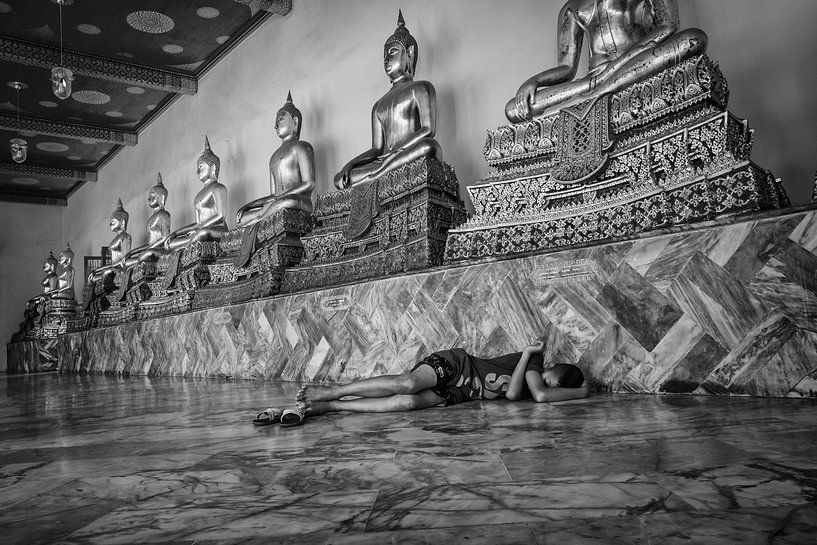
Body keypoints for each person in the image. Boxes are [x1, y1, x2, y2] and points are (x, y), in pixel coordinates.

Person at [253, 342, 589, 426]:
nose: (541, 387)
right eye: (546, 380)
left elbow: (529, 396)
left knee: (406, 403)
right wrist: (582, 392)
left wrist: (566, 392)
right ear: (551, 368)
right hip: (459, 364)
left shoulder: (536, 387)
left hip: (462, 392)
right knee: (407, 384)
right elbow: (534, 395)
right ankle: (333, 391)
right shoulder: (533, 361)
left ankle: (331, 406)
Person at [505, 0, 707, 122]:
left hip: (637, 62)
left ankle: (594, 95)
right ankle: (594, 91)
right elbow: (566, 68)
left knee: (693, 39)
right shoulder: (571, 7)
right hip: (592, 79)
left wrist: (614, 67)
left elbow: (668, 27)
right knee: (514, 109)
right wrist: (533, 82)